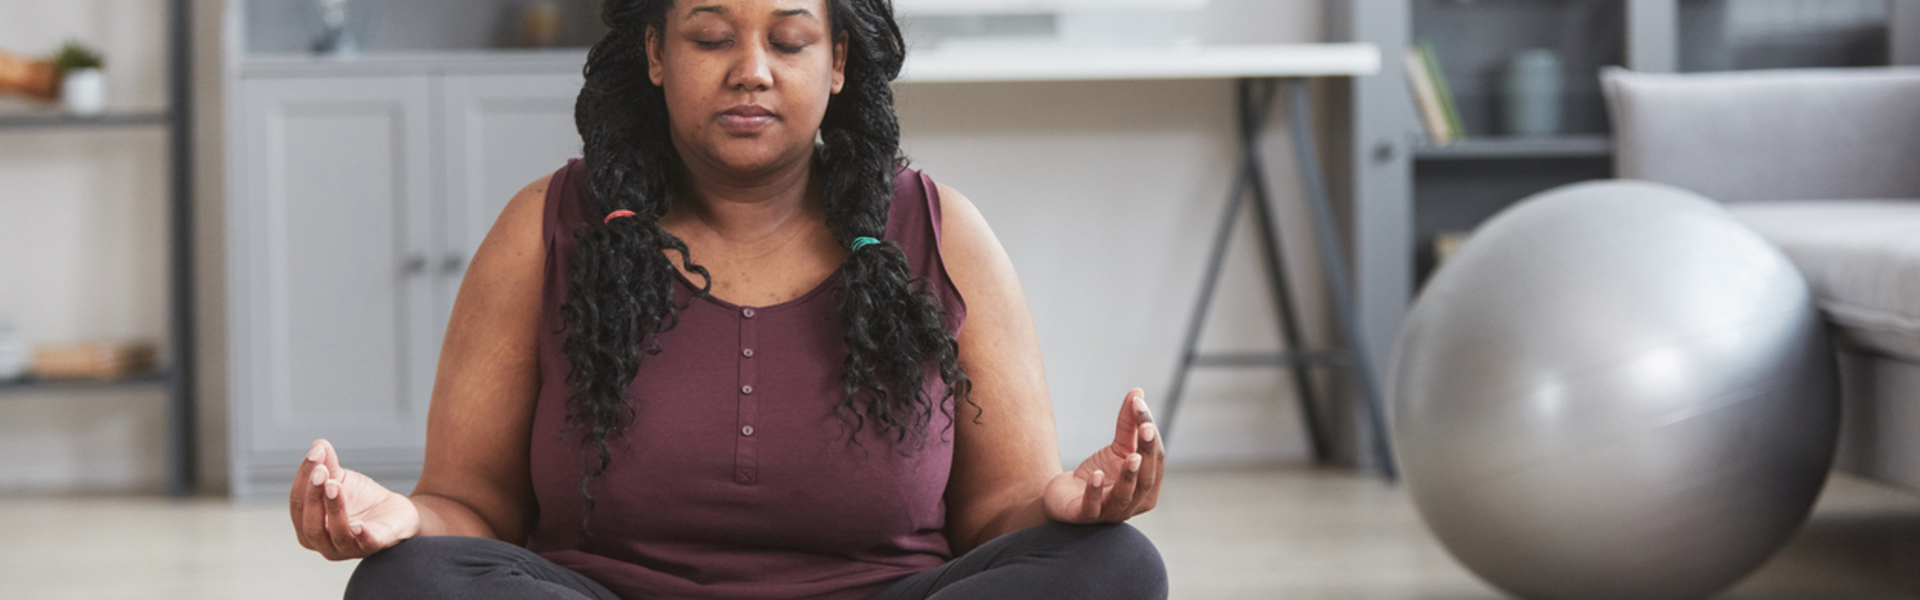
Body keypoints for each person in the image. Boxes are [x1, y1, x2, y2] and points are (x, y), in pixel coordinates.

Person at [288, 0, 1168, 598]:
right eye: (712, 37)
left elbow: (998, 516)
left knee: (1114, 566)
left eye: (788, 41)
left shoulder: (940, 232)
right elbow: (473, 511)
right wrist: (402, 518)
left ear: (837, 62)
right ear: (657, 55)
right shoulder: (547, 226)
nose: (751, 70)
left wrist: (1064, 506)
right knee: (407, 584)